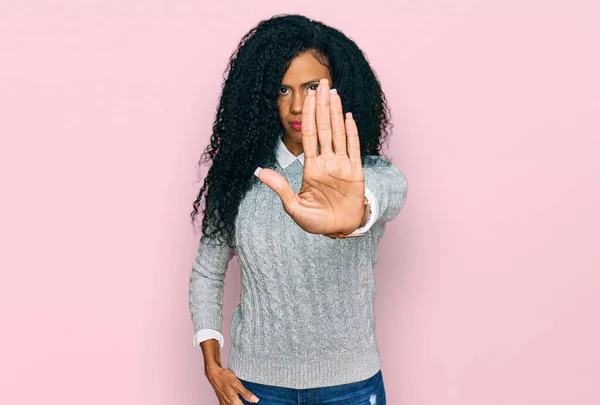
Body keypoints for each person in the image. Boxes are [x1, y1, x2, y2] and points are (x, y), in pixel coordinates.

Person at [189, 14, 408, 405]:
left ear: (339, 90)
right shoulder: (237, 180)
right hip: (258, 388)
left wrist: (355, 212)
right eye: (282, 89)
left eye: (311, 87)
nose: (296, 104)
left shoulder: (369, 175)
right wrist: (212, 363)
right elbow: (208, 271)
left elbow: (385, 194)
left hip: (351, 387)